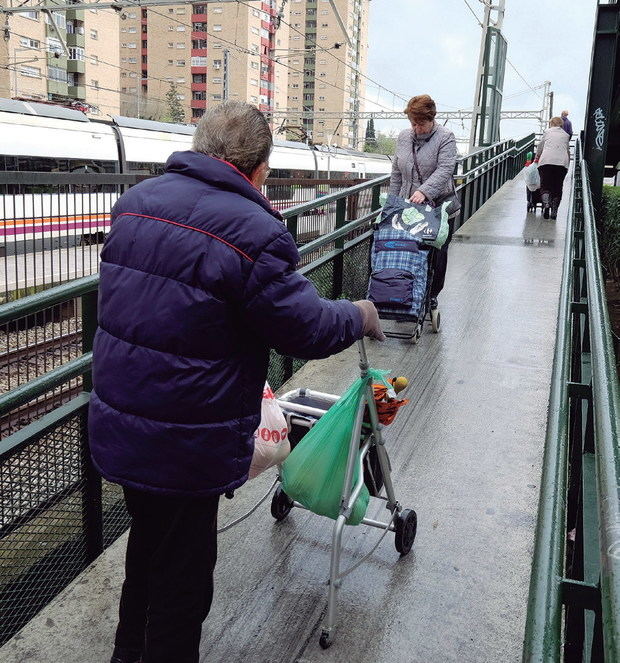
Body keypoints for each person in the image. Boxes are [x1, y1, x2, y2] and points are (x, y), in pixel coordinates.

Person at [88, 101, 385, 663]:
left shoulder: (136, 205)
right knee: (183, 584)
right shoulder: (254, 232)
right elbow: (304, 328)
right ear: (258, 168)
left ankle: (127, 654)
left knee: (147, 551)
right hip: (187, 441)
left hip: (121, 424)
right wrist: (358, 313)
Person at [389, 94, 460, 310]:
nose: (416, 128)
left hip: (439, 207)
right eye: (413, 123)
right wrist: (392, 204)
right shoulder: (404, 137)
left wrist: (424, 191)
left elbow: (446, 169)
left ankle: (432, 295)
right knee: (409, 251)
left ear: (431, 119)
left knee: (437, 253)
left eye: (421, 123)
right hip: (410, 210)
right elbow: (396, 172)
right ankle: (409, 291)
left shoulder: (446, 137)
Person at [535, 116, 571, 219]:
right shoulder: (566, 135)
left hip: (546, 162)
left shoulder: (547, 132)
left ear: (551, 123)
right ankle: (554, 210)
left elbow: (540, 147)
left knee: (545, 186)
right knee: (558, 187)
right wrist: (567, 164)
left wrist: (537, 156)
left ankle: (546, 204)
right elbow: (567, 151)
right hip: (561, 164)